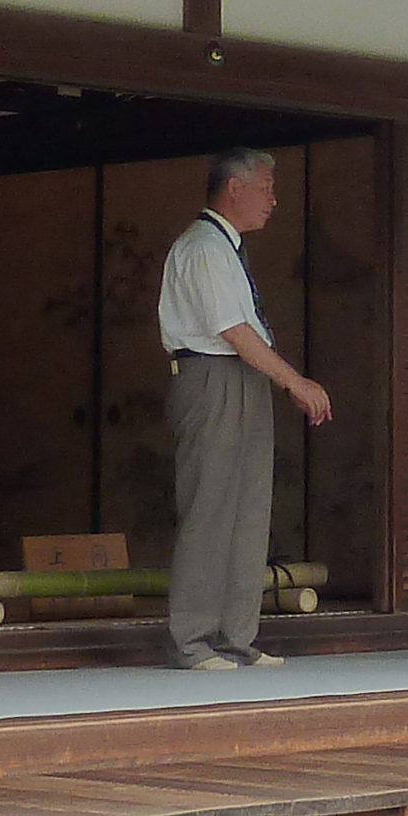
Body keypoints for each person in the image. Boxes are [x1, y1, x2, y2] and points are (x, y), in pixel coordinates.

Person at [156, 149, 332, 671]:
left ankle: (236, 636)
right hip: (211, 377)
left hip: (242, 378)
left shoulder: (225, 248)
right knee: (210, 508)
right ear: (234, 188)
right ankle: (192, 639)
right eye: (267, 188)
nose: (274, 200)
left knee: (248, 509)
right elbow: (232, 330)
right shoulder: (204, 246)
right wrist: (294, 381)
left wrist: (279, 382)